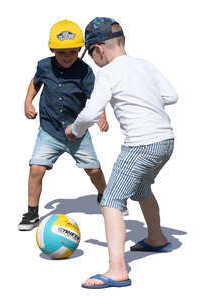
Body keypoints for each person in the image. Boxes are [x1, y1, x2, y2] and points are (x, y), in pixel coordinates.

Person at [65, 17, 178, 289]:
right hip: (166, 141)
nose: (92, 60)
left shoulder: (108, 73)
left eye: (90, 54)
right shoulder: (145, 65)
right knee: (141, 188)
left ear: (99, 50)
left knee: (111, 201)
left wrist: (75, 130)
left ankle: (117, 270)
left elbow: (91, 112)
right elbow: (172, 96)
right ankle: (156, 238)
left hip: (140, 144)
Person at [18, 19, 108, 231]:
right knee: (36, 169)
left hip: (77, 132)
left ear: (79, 50)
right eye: (62, 53)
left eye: (72, 52)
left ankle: (106, 196)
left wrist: (102, 115)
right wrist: (27, 101)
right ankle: (31, 213)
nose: (67, 57)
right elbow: (35, 81)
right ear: (52, 49)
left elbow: (95, 96)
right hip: (49, 131)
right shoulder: (44, 66)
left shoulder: (85, 71)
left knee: (94, 170)